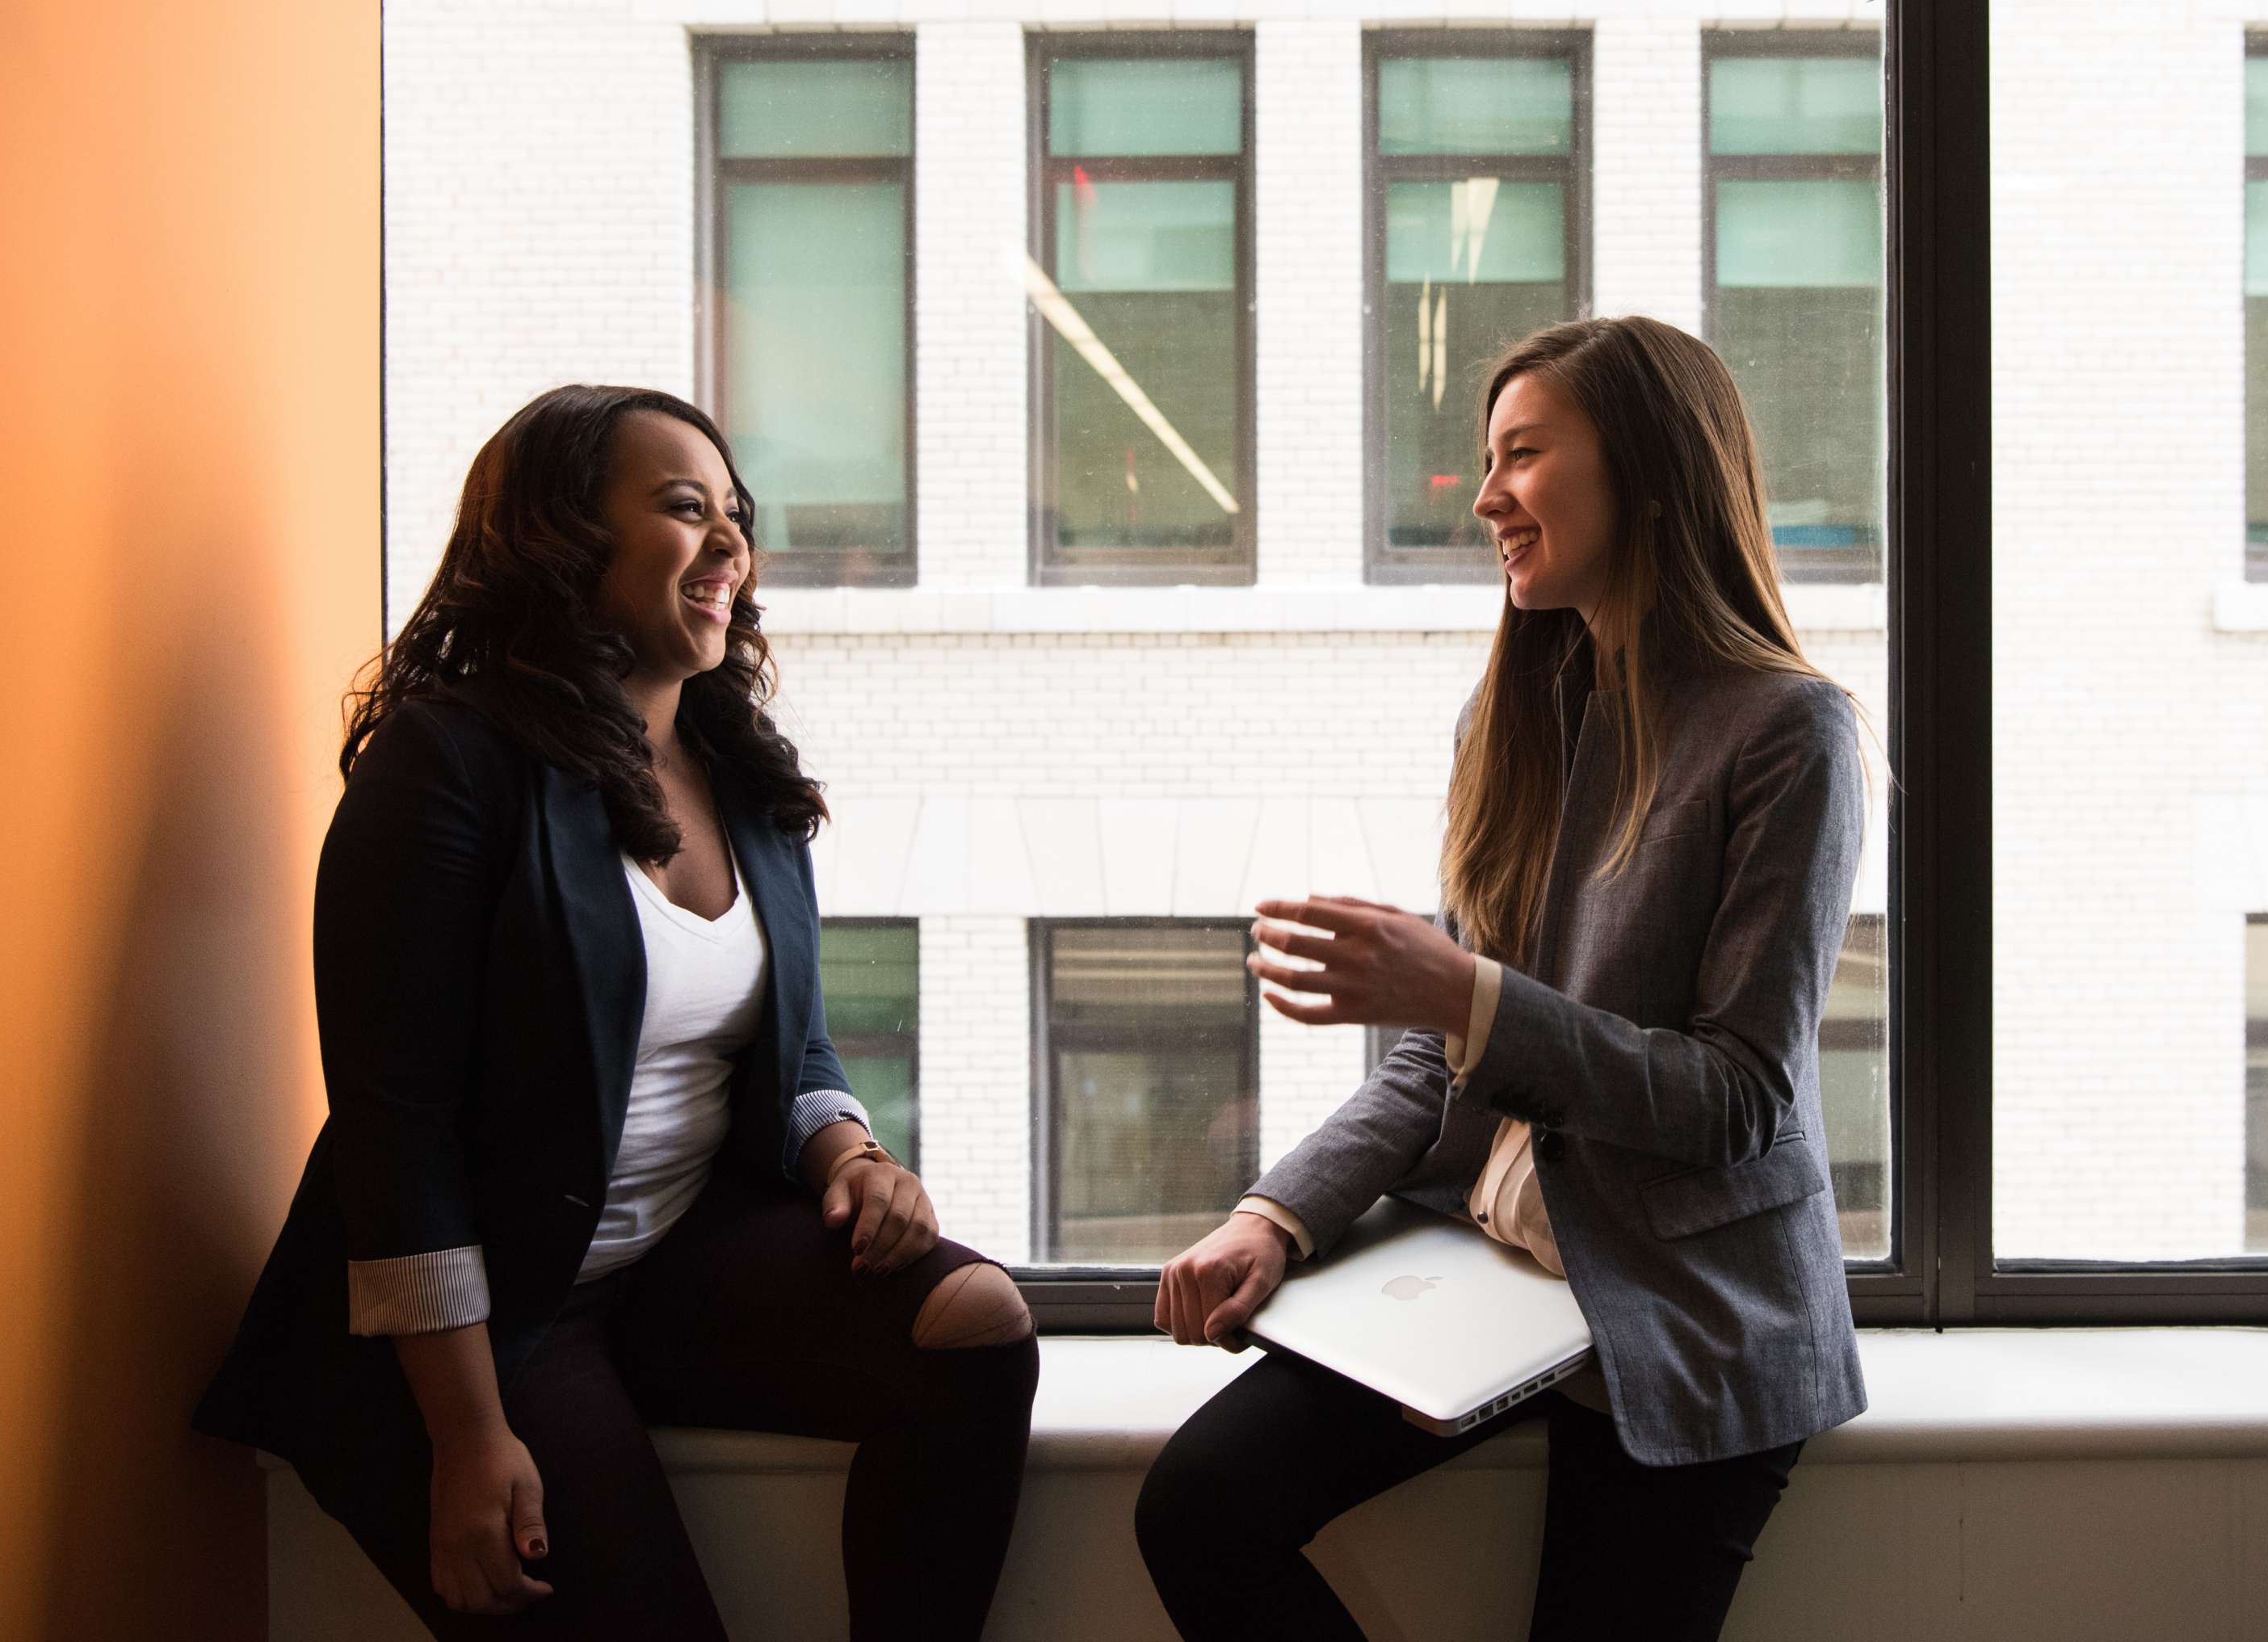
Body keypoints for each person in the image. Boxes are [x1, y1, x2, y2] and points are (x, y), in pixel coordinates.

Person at [195, 385, 1037, 1640]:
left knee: (979, 1327)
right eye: (685, 509)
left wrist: (851, 1152)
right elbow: (398, 1127)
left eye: (737, 518)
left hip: (660, 1260)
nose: (730, 546)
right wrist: (470, 1439)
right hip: (479, 1321)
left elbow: (787, 1040)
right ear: (559, 539)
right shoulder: (445, 765)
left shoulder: (736, 768)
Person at [1136, 317, 1871, 1642]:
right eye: (1489, 461)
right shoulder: (1514, 716)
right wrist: (1275, 1218)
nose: (1485, 498)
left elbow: (1740, 1098)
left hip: (1686, 1307)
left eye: (1523, 456)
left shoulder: (1787, 730)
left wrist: (1463, 998)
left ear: (1648, 472)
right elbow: (1438, 1059)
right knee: (1197, 1506)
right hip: (1497, 1272)